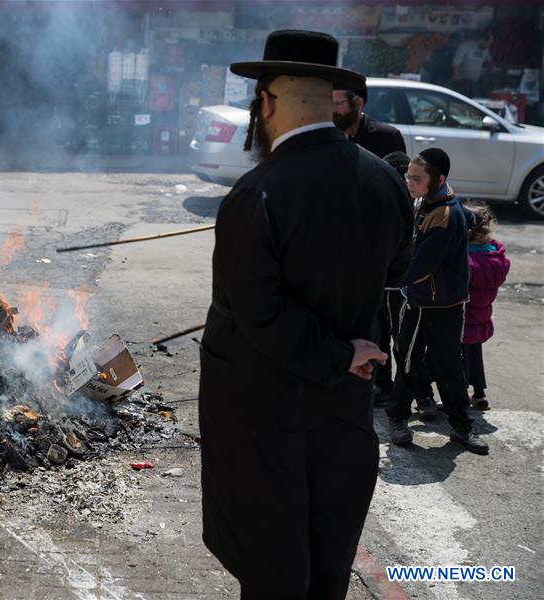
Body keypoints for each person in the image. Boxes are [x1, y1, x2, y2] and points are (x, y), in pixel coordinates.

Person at [199, 30, 413, 600]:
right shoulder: (386, 180)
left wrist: (337, 353)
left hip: (266, 416)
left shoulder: (259, 191)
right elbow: (397, 271)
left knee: (273, 568)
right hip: (344, 412)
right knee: (326, 559)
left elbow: (257, 311)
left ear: (267, 102)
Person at [386, 148, 488, 455]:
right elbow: (468, 217)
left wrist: (383, 280)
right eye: (408, 176)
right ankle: (400, 418)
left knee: (437, 364)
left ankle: (459, 426)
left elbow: (419, 268)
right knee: (411, 360)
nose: (409, 182)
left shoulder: (443, 215)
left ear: (439, 179)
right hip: (436, 301)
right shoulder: (435, 201)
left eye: (417, 178)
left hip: (431, 303)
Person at [376, 152, 437, 417]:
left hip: (406, 288)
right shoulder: (379, 203)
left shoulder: (423, 207)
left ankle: (422, 394)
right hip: (381, 286)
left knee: (406, 344)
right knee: (380, 339)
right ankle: (383, 386)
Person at [462, 202, 510, 410]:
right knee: (474, 352)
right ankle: (479, 395)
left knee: (458, 355)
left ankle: (459, 394)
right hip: (481, 315)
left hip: (462, 316)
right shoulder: (496, 257)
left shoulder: (465, 258)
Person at [332, 84, 405, 159]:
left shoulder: (387, 138)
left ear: (358, 104)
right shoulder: (326, 136)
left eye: (337, 104)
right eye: (329, 103)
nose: (332, 109)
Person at [452, 32, 493, 98]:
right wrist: (456, 74)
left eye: (489, 44)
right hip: (464, 80)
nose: (488, 46)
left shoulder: (486, 49)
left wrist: (491, 69)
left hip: (476, 80)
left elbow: (489, 60)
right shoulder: (465, 46)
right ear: (481, 40)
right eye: (487, 43)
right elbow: (456, 63)